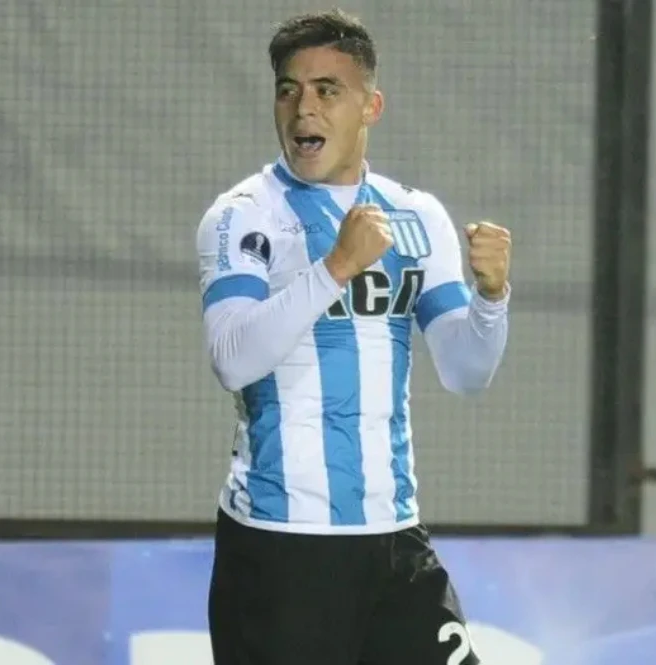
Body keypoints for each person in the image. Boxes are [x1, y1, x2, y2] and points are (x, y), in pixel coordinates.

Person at [194, 9, 511, 665]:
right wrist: (336, 266)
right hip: (281, 548)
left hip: (395, 542)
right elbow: (233, 359)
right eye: (288, 90)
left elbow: (465, 370)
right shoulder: (244, 216)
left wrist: (491, 297)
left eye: (326, 90)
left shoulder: (416, 216)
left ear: (371, 106)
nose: (303, 109)